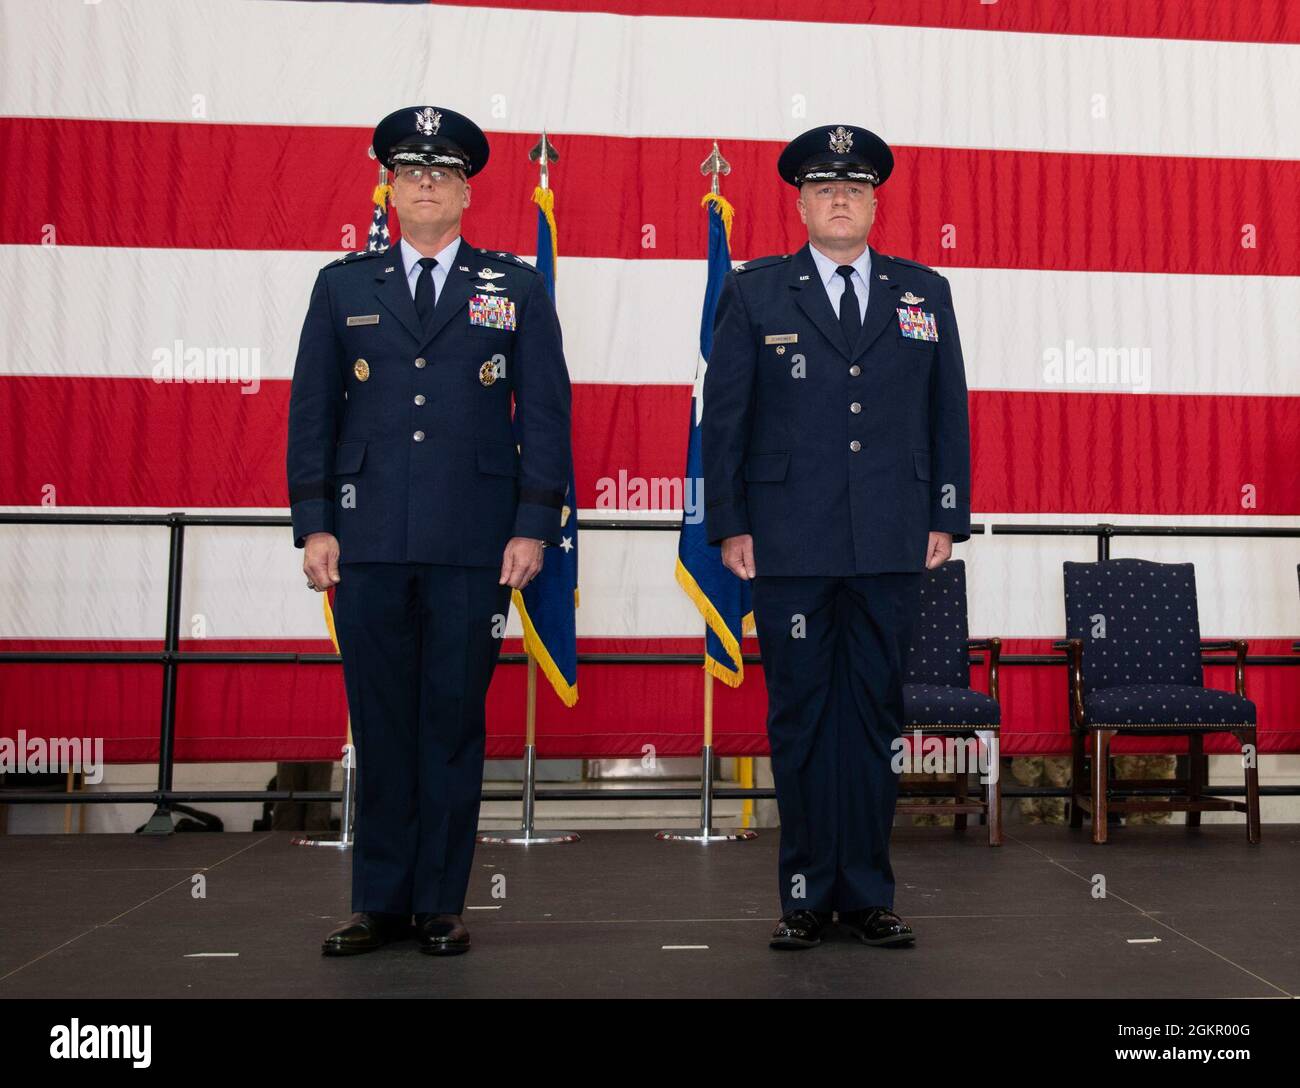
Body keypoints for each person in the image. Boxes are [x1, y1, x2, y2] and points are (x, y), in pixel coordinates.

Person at [286, 105, 572, 956]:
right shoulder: (343, 285)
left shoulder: (514, 287)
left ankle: (441, 903)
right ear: (390, 187)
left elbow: (547, 416)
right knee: (379, 721)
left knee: (450, 721)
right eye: (411, 173)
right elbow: (313, 414)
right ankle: (379, 901)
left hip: (473, 542)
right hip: (368, 537)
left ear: (466, 191)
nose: (425, 187)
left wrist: (533, 525)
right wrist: (314, 524)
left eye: (441, 174)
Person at [702, 124, 972, 950]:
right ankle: (803, 894)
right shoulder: (755, 293)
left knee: (872, 717)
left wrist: (946, 514)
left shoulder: (923, 291)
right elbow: (727, 423)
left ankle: (868, 893)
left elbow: (947, 411)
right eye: (824, 189)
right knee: (801, 717)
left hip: (892, 539)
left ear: (875, 201)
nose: (840, 199)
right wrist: (731, 525)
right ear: (801, 203)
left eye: (854, 187)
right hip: (790, 542)